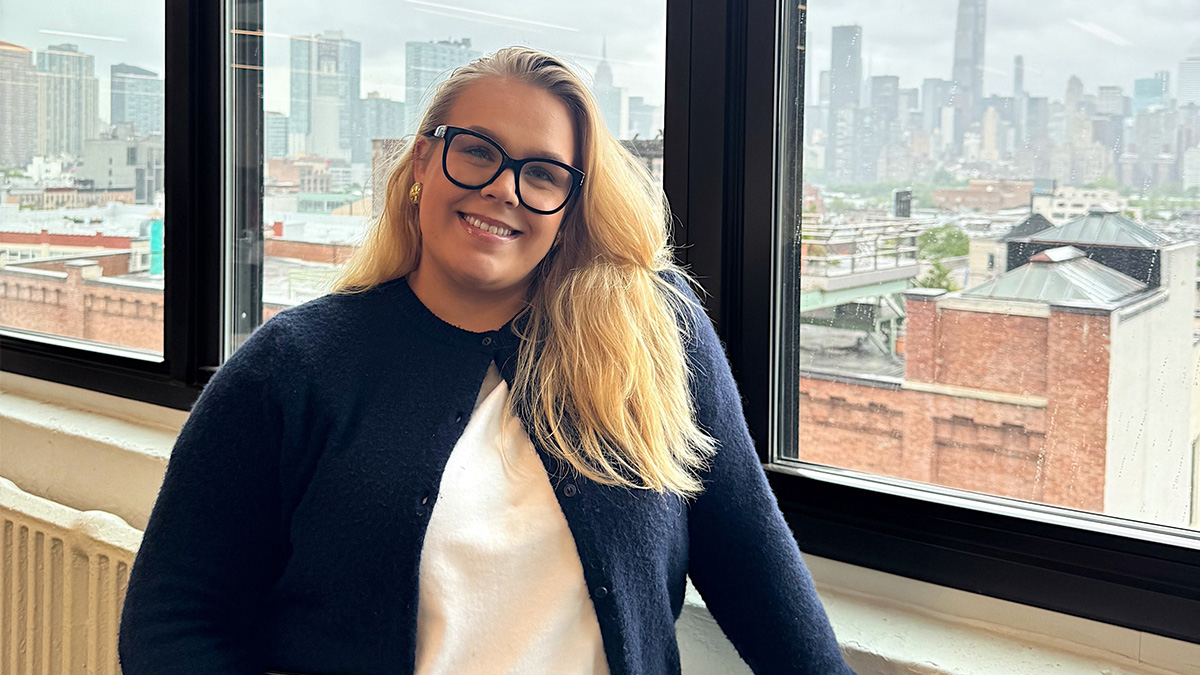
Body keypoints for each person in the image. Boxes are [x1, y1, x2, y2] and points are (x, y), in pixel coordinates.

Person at [118, 47, 854, 675]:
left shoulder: (653, 340)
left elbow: (760, 579)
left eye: (543, 173)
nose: (503, 187)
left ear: (570, 205)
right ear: (420, 165)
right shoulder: (294, 365)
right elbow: (173, 618)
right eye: (476, 150)